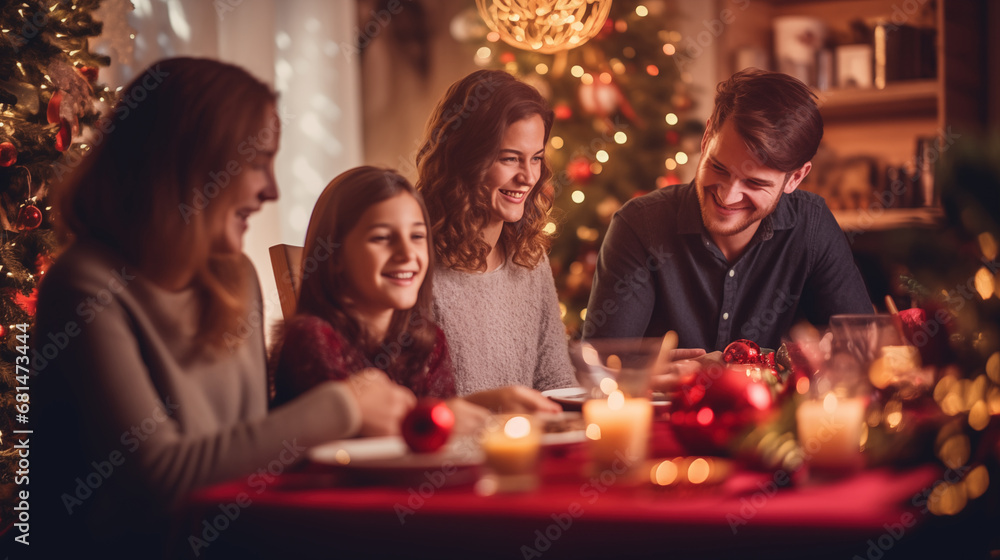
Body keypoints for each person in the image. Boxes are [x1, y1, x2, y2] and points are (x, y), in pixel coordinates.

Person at [33, 57, 413, 555]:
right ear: (188, 164)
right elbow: (159, 481)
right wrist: (346, 404)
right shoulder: (84, 285)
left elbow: (252, 454)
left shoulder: (237, 277)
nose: (271, 190)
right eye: (256, 162)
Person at [584, 68, 872, 354]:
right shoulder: (640, 225)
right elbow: (601, 369)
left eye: (755, 183)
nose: (727, 195)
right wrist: (657, 375)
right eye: (718, 168)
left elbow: (861, 351)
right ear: (707, 135)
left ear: (795, 178)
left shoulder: (812, 226)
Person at [268, 166, 488, 432]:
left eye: (417, 236)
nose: (407, 253)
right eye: (382, 238)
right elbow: (359, 442)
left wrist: (489, 406)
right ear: (335, 256)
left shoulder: (429, 341)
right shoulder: (312, 337)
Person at [416, 69, 574, 412]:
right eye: (509, 158)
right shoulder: (414, 260)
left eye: (536, 158)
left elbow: (557, 382)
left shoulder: (529, 258)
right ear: (464, 156)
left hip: (525, 452)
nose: (528, 177)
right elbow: (409, 404)